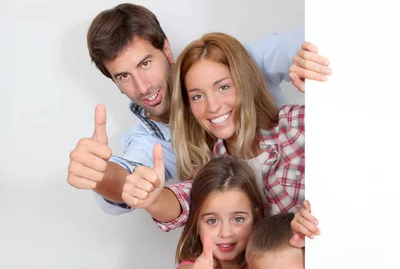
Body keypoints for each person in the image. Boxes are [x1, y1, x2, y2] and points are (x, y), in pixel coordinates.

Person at [67, 3, 331, 215]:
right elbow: (131, 176)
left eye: (145, 63)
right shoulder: (151, 141)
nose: (143, 86)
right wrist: (101, 175)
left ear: (166, 49)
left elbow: (306, 42)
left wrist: (309, 57)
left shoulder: (233, 62)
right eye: (123, 76)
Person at [121, 32, 314, 225]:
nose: (213, 107)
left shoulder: (296, 124)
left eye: (223, 87)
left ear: (245, 82)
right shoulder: (209, 169)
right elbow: (183, 200)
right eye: (197, 96)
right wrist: (154, 199)